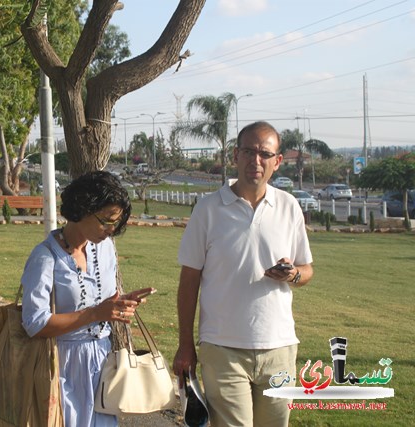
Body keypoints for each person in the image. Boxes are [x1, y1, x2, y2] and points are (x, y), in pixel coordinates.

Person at [173, 121, 314, 427]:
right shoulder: (208, 210)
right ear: (235, 155)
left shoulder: (289, 207)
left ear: (277, 161)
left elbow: (307, 270)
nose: (256, 160)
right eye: (249, 151)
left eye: (265, 153)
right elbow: (189, 282)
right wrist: (185, 344)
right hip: (222, 349)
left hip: (278, 347)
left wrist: (291, 274)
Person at [21, 171, 154, 427]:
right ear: (82, 208)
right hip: (61, 365)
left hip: (102, 363)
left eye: (116, 223)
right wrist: (96, 313)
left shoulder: (105, 248)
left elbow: (101, 303)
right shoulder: (45, 257)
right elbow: (34, 324)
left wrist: (120, 305)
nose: (111, 230)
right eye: (105, 221)